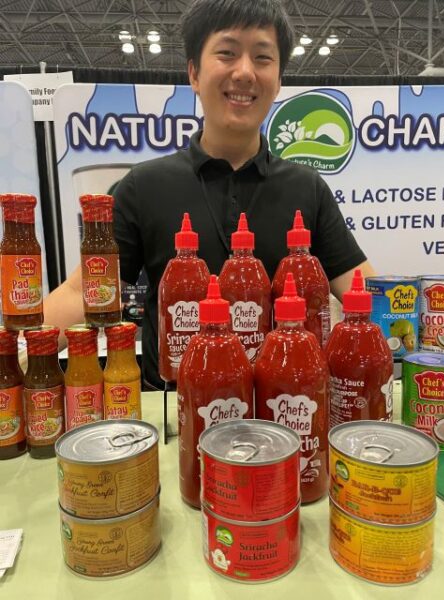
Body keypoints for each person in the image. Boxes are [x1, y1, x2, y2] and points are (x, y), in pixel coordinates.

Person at [43, 0, 374, 390]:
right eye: (227, 53)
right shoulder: (143, 185)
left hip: (281, 407)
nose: (245, 72)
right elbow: (82, 291)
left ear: (278, 80)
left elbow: (362, 289)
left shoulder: (307, 187)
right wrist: (14, 350)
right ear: (194, 74)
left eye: (262, 57)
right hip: (171, 403)